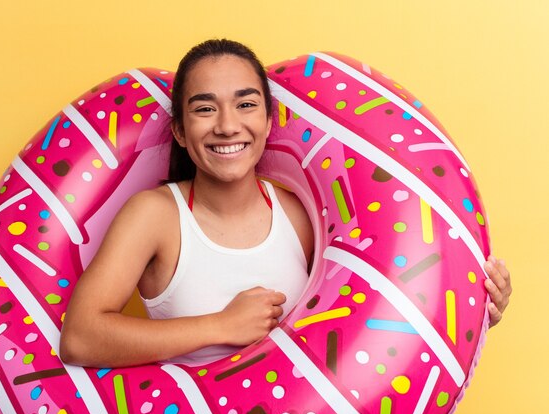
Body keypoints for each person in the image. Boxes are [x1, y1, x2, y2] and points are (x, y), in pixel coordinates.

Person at [59, 39, 511, 368]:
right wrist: (221, 325)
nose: (227, 126)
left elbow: (373, 323)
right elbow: (81, 338)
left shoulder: (302, 215)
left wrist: (472, 311)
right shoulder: (155, 215)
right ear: (179, 130)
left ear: (269, 119)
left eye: (246, 104)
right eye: (204, 109)